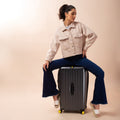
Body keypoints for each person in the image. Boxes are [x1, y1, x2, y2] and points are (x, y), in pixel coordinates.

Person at [42, 4, 108, 117]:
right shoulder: (59, 31)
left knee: (100, 73)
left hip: (80, 59)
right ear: (66, 14)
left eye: (75, 13)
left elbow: (93, 35)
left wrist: (85, 48)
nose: (74, 16)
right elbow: (53, 48)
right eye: (72, 13)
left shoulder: (80, 26)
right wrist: (48, 59)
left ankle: (96, 102)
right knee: (46, 67)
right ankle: (55, 94)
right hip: (66, 60)